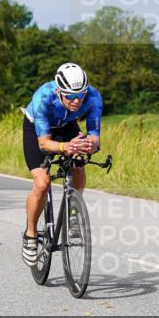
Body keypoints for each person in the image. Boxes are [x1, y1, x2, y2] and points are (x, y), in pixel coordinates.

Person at [20, 63, 103, 266]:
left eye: (80, 95)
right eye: (70, 96)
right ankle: (30, 234)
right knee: (42, 183)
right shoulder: (43, 97)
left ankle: (73, 210)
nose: (77, 101)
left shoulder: (93, 97)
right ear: (59, 91)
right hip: (38, 130)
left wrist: (86, 145)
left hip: (67, 127)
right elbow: (44, 143)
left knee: (80, 162)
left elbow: (95, 139)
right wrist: (66, 146)